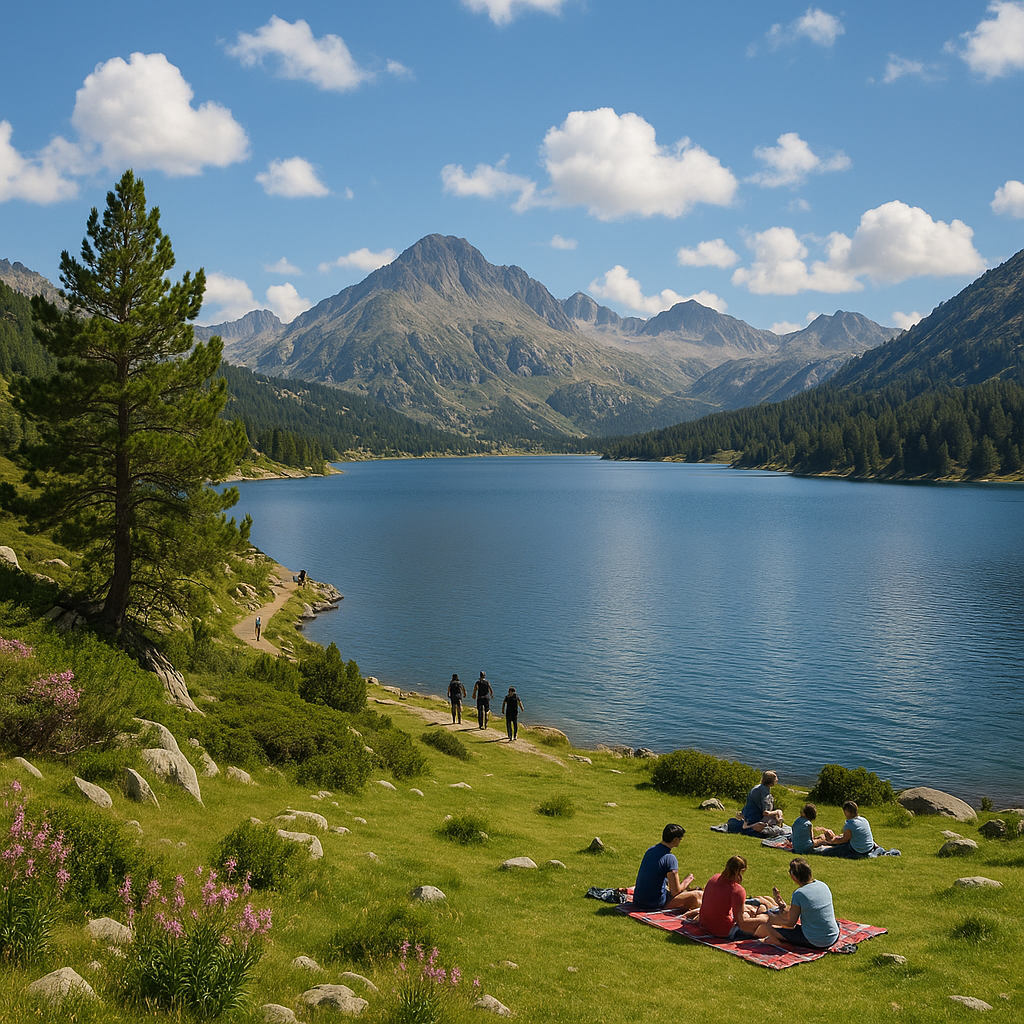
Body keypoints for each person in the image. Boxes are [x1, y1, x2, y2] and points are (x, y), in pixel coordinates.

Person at [755, 858, 840, 950]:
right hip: (833, 936)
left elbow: (791, 923)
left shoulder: (799, 894)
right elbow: (800, 909)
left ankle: (778, 942)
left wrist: (772, 920)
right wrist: (782, 905)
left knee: (770, 929)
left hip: (815, 941)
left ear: (794, 877)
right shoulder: (823, 885)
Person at [689, 855, 771, 939]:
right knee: (763, 920)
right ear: (740, 872)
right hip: (723, 931)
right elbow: (741, 922)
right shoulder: (737, 890)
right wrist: (764, 919)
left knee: (750, 911)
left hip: (705, 925)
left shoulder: (714, 879)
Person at [632, 824, 702, 912]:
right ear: (675, 839)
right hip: (655, 903)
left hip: (638, 900)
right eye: (680, 839)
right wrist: (686, 881)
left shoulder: (650, 851)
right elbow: (675, 892)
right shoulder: (670, 858)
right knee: (697, 896)